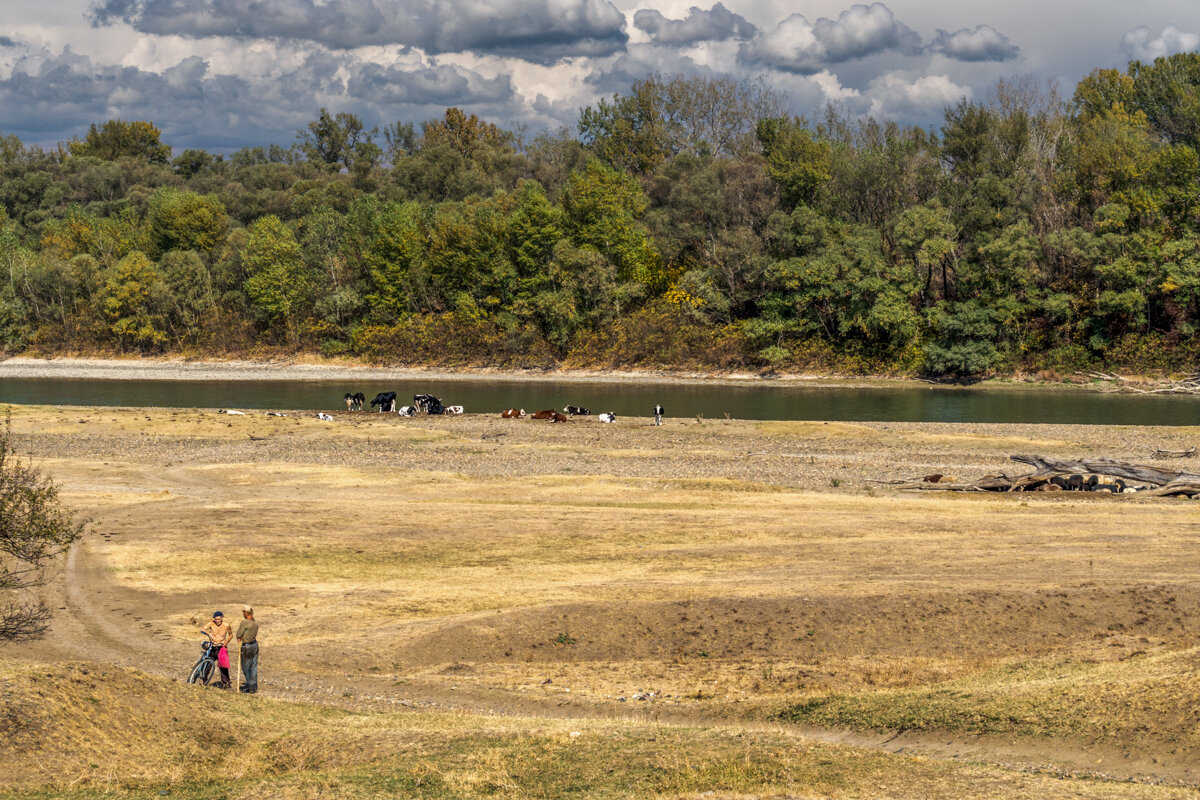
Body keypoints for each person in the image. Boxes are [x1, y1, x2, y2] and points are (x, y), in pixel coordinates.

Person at [201, 610, 234, 688]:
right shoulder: (211, 624)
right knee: (208, 664)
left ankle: (226, 684)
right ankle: (204, 679)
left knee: (223, 666)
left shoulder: (226, 625)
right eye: (216, 619)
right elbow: (202, 629)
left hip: (221, 647)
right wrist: (209, 633)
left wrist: (226, 642)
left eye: (219, 619)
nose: (217, 621)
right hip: (213, 646)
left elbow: (231, 635)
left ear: (222, 618)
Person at [236, 604, 260, 694]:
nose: (243, 613)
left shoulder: (245, 622)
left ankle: (249, 686)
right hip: (255, 644)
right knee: (254, 666)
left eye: (243, 612)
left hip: (247, 646)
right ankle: (254, 687)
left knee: (246, 667)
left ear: (246, 613)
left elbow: (238, 634)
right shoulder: (255, 622)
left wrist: (239, 637)